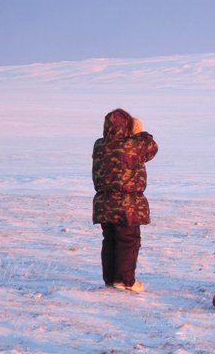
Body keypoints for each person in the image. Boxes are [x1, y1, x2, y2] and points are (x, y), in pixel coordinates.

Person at [92, 108, 158, 292]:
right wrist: (139, 131)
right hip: (126, 205)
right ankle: (124, 281)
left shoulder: (99, 145)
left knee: (110, 240)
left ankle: (111, 278)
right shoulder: (132, 145)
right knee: (128, 241)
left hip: (104, 203)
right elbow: (151, 148)